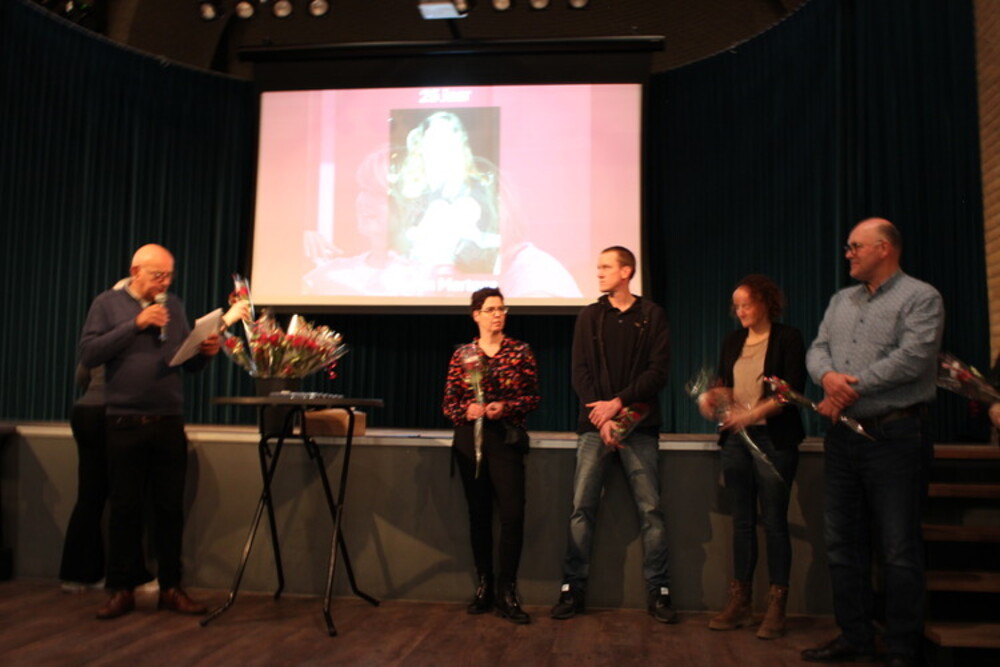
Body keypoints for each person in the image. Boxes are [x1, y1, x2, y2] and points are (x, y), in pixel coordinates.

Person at [802, 218, 944, 667]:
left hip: (895, 437)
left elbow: (914, 358)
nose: (848, 254)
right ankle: (855, 636)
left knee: (898, 548)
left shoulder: (921, 297)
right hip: (843, 437)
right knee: (842, 544)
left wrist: (850, 387)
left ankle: (902, 648)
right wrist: (828, 377)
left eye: (855, 246)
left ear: (884, 248)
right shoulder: (840, 300)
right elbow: (817, 349)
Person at [78, 243, 224, 620]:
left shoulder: (174, 305)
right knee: (125, 508)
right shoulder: (107, 304)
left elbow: (184, 362)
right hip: (124, 421)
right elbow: (89, 353)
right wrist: (136, 324)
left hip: (168, 420)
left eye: (169, 276)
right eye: (158, 275)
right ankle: (121, 589)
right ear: (135, 271)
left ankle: (171, 588)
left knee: (169, 509)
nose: (164, 283)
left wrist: (205, 352)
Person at [550, 246, 675, 623]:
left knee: (651, 510)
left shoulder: (651, 315)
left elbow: (658, 372)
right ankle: (572, 589)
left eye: (606, 267)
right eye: (598, 266)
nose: (599, 272)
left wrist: (617, 404)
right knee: (581, 508)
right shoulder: (590, 316)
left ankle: (659, 592)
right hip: (594, 426)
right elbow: (580, 372)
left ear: (626, 271)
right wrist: (602, 418)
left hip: (640, 427)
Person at [697, 275, 805, 639]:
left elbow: (791, 391)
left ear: (765, 303)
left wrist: (753, 414)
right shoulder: (732, 341)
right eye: (736, 306)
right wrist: (712, 399)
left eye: (746, 304)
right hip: (736, 441)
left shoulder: (788, 338)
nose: (740, 311)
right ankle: (740, 603)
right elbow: (724, 386)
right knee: (742, 522)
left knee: (774, 521)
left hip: (774, 438)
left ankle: (776, 606)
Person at [442, 287, 540, 624]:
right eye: (491, 309)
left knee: (512, 514)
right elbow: (449, 403)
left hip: (505, 439)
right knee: (479, 515)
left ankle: (506, 590)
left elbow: (533, 397)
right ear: (477, 315)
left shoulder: (520, 352)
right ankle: (484, 586)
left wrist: (505, 407)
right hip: (470, 440)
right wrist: (467, 410)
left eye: (502, 309)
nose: (498, 314)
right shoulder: (463, 355)